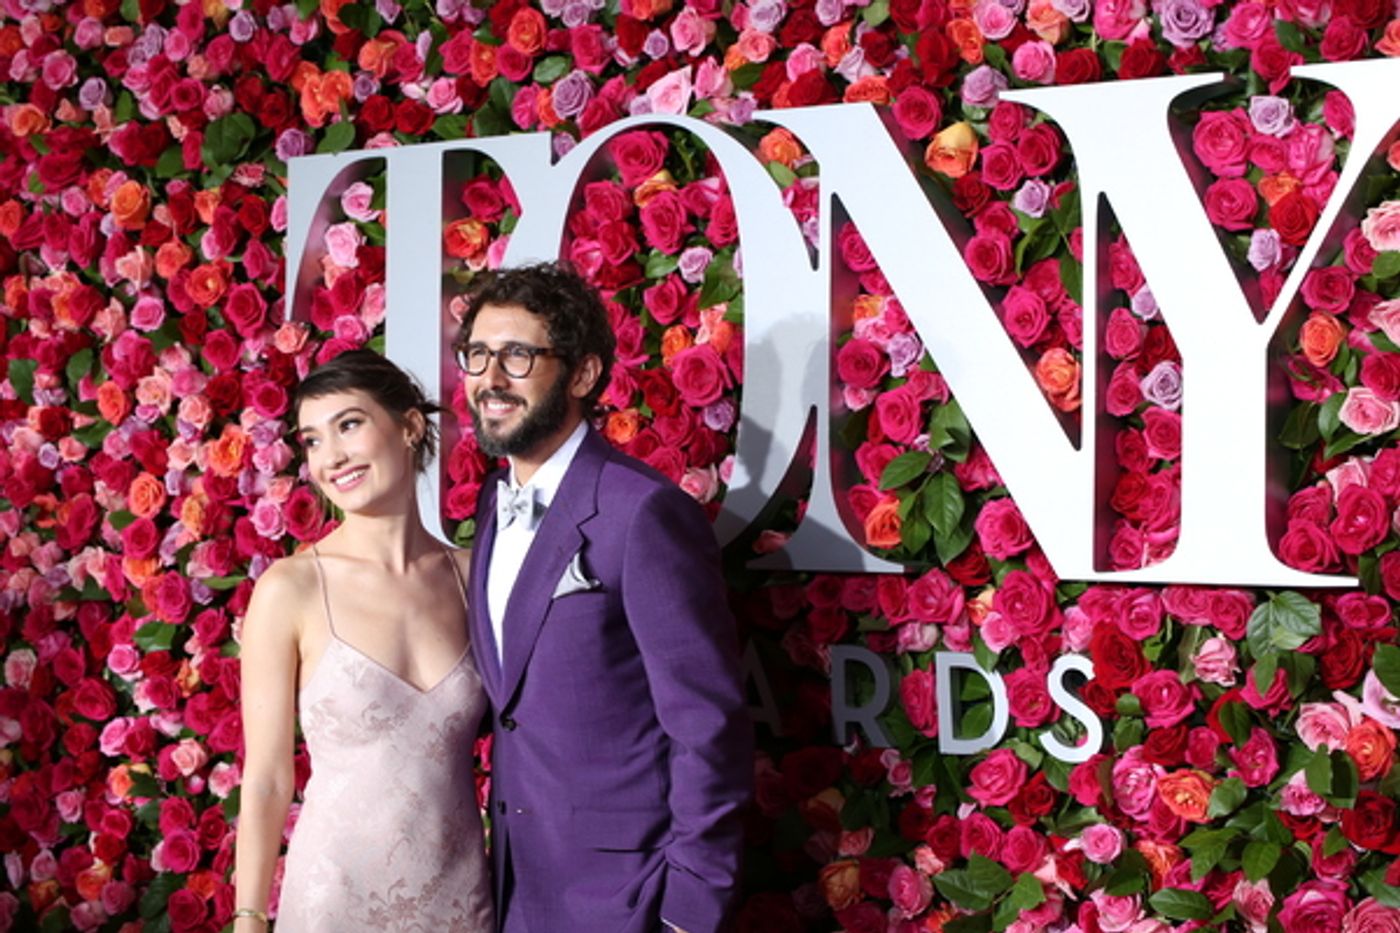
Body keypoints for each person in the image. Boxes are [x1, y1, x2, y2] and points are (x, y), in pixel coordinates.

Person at [457, 262, 752, 933]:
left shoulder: (642, 512)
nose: (490, 378)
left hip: (628, 898)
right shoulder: (491, 505)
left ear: (584, 375)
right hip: (517, 890)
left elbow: (707, 723)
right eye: (477, 353)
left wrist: (687, 909)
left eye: (517, 355)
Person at [234, 349, 493, 932]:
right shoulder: (291, 588)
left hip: (460, 903)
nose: (332, 457)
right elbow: (270, 777)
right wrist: (248, 918)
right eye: (313, 441)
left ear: (410, 426)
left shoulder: (473, 577)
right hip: (333, 903)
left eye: (349, 425)